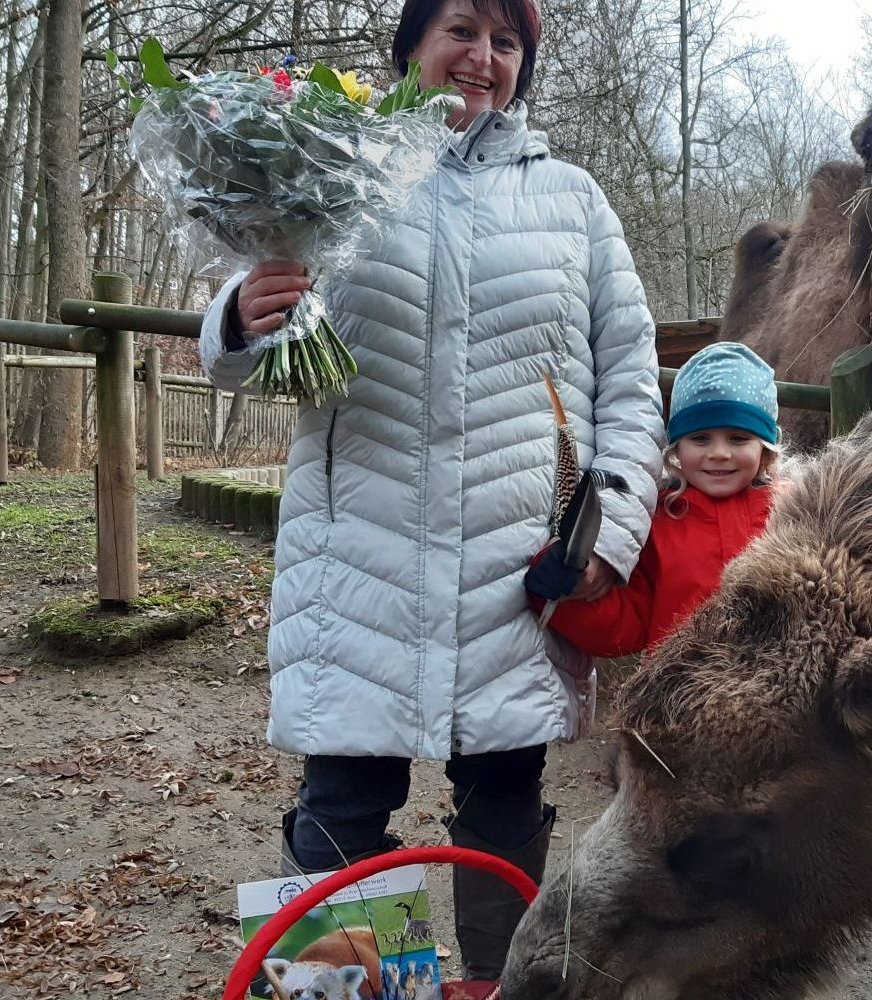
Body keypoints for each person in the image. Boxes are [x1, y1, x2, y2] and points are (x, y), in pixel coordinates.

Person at [196, 0, 665, 994]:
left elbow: (629, 383)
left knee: (505, 801)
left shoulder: (574, 201)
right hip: (356, 561)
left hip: (515, 567)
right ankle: (342, 991)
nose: (482, 57)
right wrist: (239, 318)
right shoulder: (331, 173)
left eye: (507, 41)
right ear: (411, 44)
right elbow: (250, 356)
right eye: (461, 29)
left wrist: (607, 532)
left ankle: (500, 983)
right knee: (341, 804)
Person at [526, 343, 779, 656]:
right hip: (683, 682)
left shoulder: (791, 514)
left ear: (765, 448)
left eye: (738, 438)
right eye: (700, 438)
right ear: (676, 448)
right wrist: (559, 592)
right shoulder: (656, 521)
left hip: (780, 681)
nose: (718, 453)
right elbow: (626, 621)